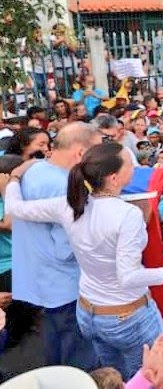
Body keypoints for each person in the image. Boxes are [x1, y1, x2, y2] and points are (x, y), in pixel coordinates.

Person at [0, 142, 163, 378]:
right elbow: (129, 277)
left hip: (89, 313)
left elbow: (14, 207)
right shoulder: (127, 215)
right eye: (129, 163)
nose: (135, 166)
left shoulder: (69, 205)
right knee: (145, 378)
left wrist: (12, 180)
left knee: (111, 375)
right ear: (114, 178)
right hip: (127, 318)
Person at [6, 123, 99, 370]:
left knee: (54, 353)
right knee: (78, 361)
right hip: (66, 286)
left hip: (40, 281)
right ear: (80, 153)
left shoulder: (32, 171)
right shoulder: (67, 185)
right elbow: (67, 248)